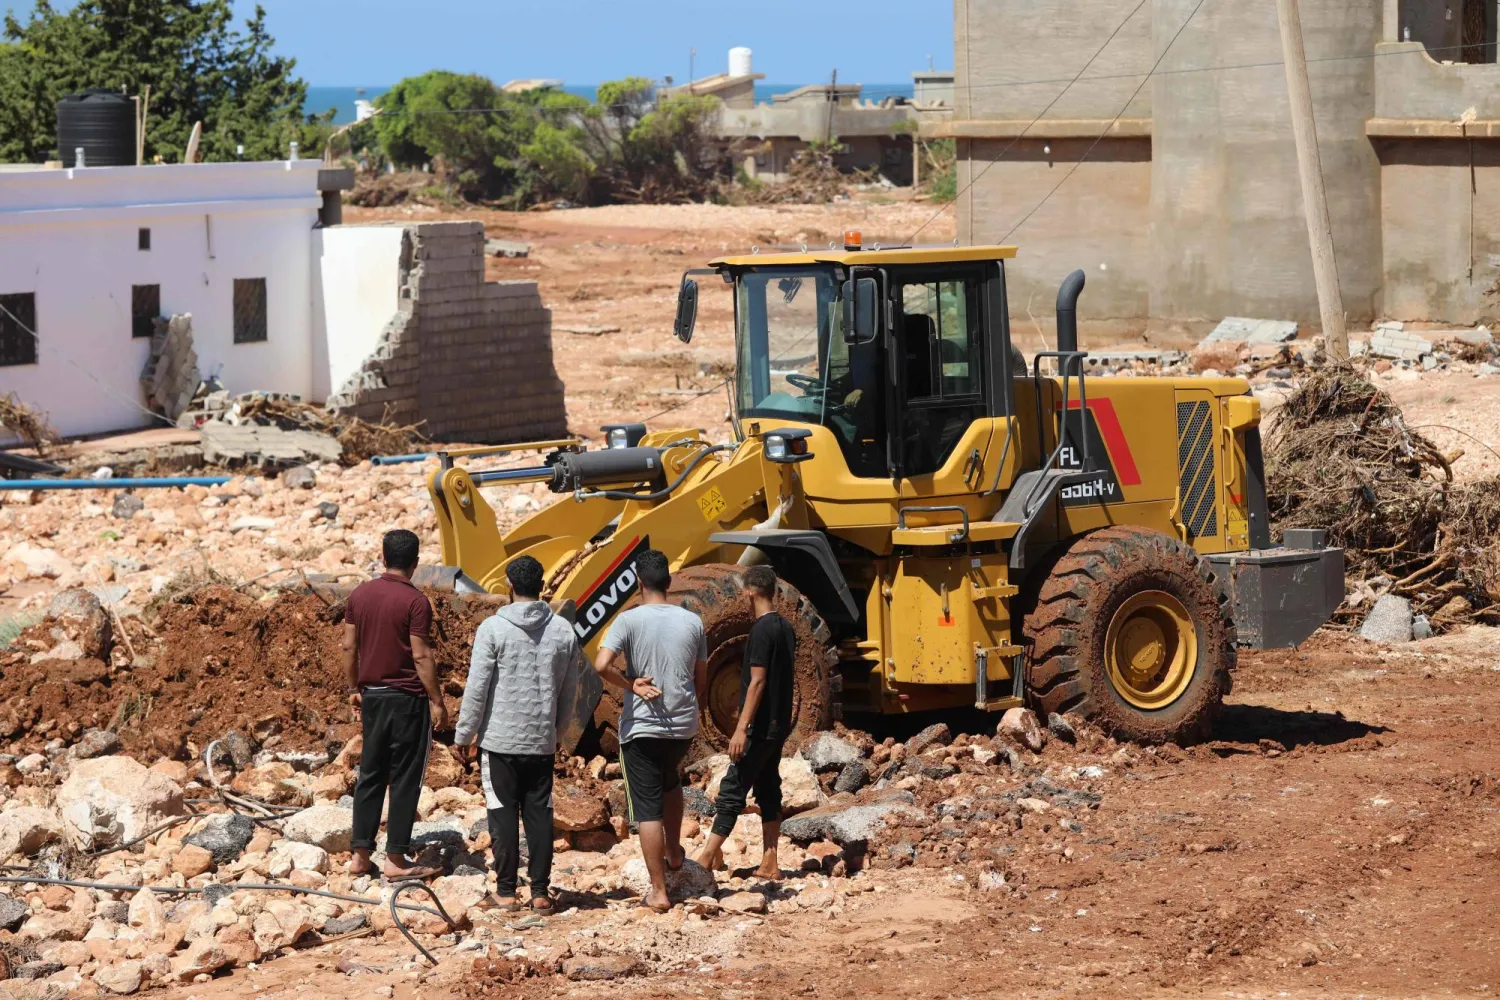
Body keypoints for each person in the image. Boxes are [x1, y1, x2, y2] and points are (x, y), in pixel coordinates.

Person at [454, 555, 580, 915]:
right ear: (542, 586)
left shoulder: (493, 629)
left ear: (509, 586)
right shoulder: (562, 630)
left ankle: (506, 892)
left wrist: (464, 734)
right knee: (540, 814)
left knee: (502, 813)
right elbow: (569, 692)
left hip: (499, 742)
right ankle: (540, 892)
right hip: (541, 741)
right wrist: (557, 734)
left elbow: (477, 687)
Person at [593, 549, 707, 913]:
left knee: (646, 808)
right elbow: (700, 676)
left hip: (642, 727)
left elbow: (601, 665)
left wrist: (632, 685)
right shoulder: (693, 621)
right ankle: (674, 853)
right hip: (682, 725)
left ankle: (659, 891)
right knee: (671, 781)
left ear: (638, 583)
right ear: (669, 582)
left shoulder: (628, 621)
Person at [343, 529, 448, 880]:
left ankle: (360, 855)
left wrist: (353, 686)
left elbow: (348, 647)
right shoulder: (416, 602)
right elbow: (420, 655)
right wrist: (437, 700)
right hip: (407, 699)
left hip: (372, 696)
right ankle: (396, 859)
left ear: (383, 557)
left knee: (370, 773)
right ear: (415, 563)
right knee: (405, 777)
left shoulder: (360, 594)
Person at [694, 565, 795, 879]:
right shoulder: (786, 628)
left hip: (759, 726)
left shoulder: (762, 631)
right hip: (778, 724)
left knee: (733, 786)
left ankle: (706, 858)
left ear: (750, 592)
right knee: (768, 788)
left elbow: (757, 682)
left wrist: (741, 727)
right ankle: (770, 861)